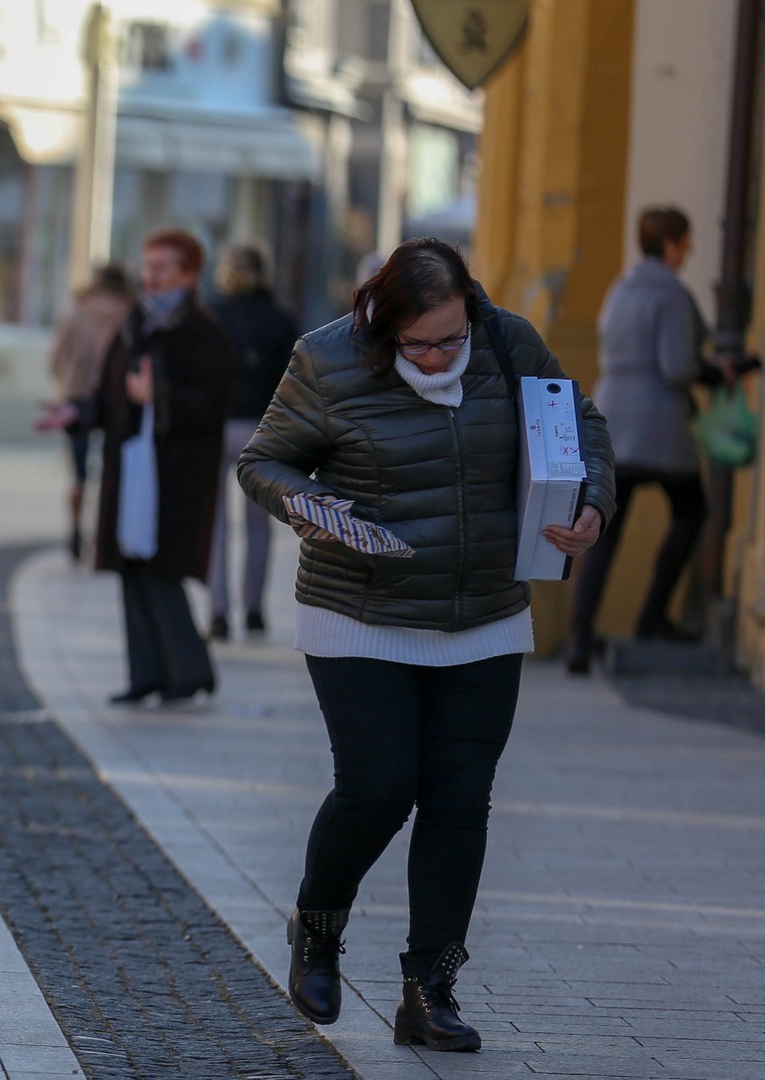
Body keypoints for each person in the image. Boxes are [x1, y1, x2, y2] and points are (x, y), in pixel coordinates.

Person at [238, 238, 616, 1051]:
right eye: (419, 345)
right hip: (359, 609)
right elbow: (263, 462)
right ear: (384, 324)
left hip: (485, 610)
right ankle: (318, 926)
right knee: (377, 787)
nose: (439, 357)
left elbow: (578, 422)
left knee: (459, 799)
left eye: (452, 339)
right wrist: (315, 510)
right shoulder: (327, 359)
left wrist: (591, 499)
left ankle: (429, 991)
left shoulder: (507, 341)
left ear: (471, 311)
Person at [45, 229, 234, 704]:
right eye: (147, 265)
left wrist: (158, 397)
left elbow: (212, 403)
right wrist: (77, 413)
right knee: (132, 567)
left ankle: (188, 670)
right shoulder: (135, 323)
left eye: (161, 267)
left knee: (160, 570)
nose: (150, 275)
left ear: (189, 274)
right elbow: (110, 393)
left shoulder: (203, 331)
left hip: (175, 476)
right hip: (130, 467)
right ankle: (147, 674)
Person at [566, 206, 719, 673]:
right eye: (685, 242)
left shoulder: (621, 287)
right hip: (658, 424)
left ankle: (579, 639)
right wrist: (717, 374)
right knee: (692, 511)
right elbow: (677, 366)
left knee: (603, 527)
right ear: (671, 245)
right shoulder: (671, 294)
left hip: (613, 420)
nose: (689, 250)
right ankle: (653, 617)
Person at [206, 244, 299, 639]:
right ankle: (255, 608)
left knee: (215, 523)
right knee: (258, 522)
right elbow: (292, 380)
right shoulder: (281, 317)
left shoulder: (211, 314)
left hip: (216, 425)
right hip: (263, 427)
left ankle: (218, 612)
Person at [47, 263, 134, 561]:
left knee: (79, 473)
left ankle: (75, 528)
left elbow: (55, 359)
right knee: (112, 470)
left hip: (77, 399)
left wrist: (68, 384)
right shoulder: (129, 314)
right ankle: (104, 533)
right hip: (117, 401)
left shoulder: (77, 311)